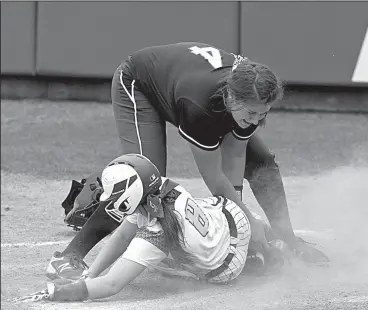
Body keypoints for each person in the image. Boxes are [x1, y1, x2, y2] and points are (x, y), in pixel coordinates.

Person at [47, 42, 329, 280]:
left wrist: (240, 221)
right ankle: (70, 254)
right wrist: (246, 223)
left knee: (262, 163)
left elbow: (234, 154)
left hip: (183, 83)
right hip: (139, 84)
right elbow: (215, 178)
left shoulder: (253, 90)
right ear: (231, 97)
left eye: (262, 114)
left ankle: (290, 240)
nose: (257, 120)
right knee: (145, 180)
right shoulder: (201, 107)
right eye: (252, 114)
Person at [16, 154, 288, 303]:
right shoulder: (159, 187)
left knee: (157, 264)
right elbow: (123, 232)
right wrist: (89, 273)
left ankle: (257, 258)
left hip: (226, 266)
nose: (108, 200)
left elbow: (112, 285)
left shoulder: (156, 232)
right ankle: (269, 239)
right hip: (230, 216)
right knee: (202, 218)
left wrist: (62, 292)